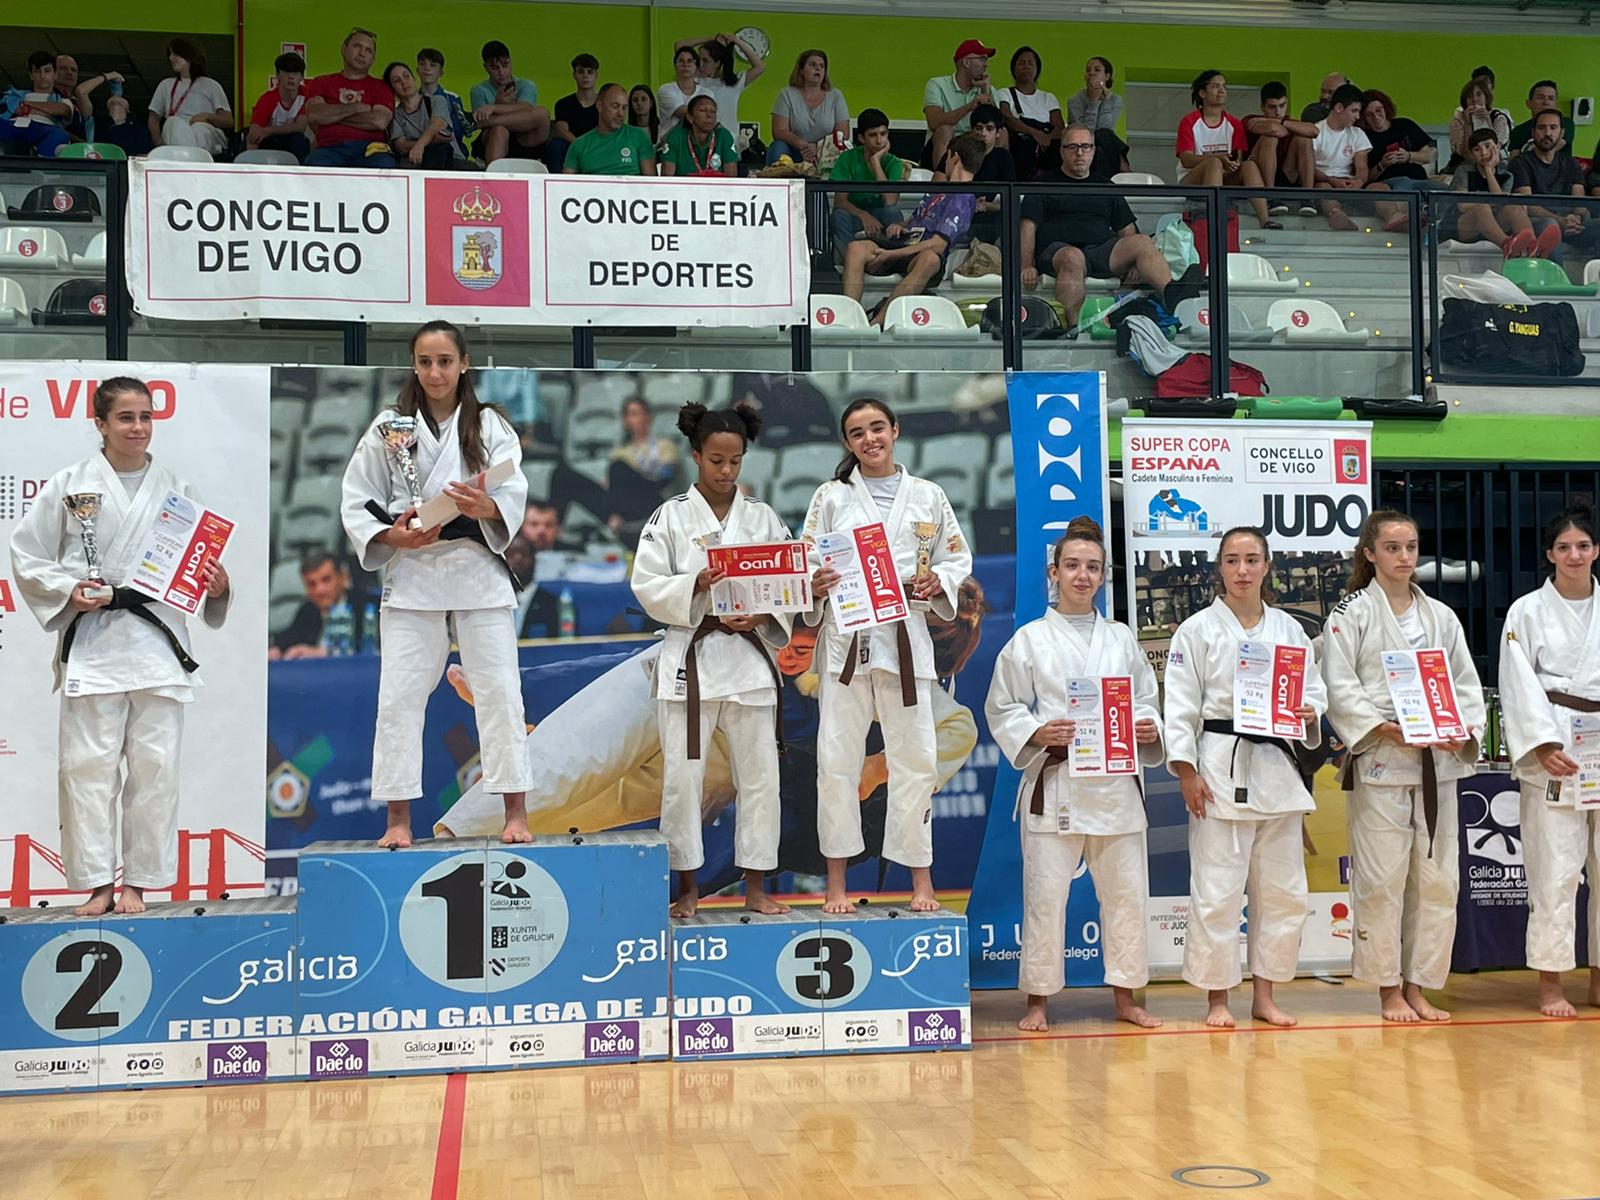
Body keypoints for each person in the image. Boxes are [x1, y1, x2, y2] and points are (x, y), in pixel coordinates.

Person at [9, 378, 231, 916]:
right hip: (96, 645)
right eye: (126, 418)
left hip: (156, 645)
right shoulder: (70, 485)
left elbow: (195, 566)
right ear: (101, 424)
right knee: (86, 771)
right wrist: (69, 591)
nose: (137, 427)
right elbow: (27, 554)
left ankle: (140, 882)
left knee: (156, 771)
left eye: (145, 417)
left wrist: (217, 586)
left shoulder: (178, 487)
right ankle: (96, 885)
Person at [340, 320, 532, 849]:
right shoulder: (389, 427)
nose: (435, 372)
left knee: (499, 693)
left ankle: (514, 810)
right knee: (399, 697)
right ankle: (398, 820)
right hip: (416, 572)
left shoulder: (488, 425)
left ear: (464, 364)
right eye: (425, 362)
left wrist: (487, 507)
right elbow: (356, 498)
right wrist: (391, 537)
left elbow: (513, 492)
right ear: (414, 366)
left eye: (445, 361)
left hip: (475, 568)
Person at [985, 517, 1164, 1032]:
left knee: (1126, 895)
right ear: (1054, 573)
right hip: (1058, 784)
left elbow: (1146, 703)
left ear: (1104, 576)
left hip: (1115, 785)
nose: (1082, 576)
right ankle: (1038, 1000)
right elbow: (1003, 707)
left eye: (1092, 567)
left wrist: (1148, 729)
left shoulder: (1121, 638)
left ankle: (1127, 998)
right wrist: (1040, 733)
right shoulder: (1030, 639)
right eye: (1072, 566)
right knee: (1045, 895)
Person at [803, 398, 973, 914]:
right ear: (848, 443)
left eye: (878, 428)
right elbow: (808, 560)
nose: (869, 439)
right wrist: (815, 581)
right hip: (847, 647)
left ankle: (920, 881)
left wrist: (936, 580)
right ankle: (836, 883)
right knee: (836, 763)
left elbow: (956, 556)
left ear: (895, 430)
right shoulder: (830, 497)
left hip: (905, 643)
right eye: (857, 433)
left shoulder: (929, 495)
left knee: (916, 763)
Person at [1321, 511, 1486, 1023]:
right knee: (1382, 879)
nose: (1404, 556)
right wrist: (1378, 726)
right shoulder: (1350, 613)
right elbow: (1338, 683)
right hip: (1383, 762)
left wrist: (1463, 729)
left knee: (1438, 881)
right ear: (1370, 553)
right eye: (1392, 547)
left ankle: (1419, 984)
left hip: (1436, 760)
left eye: (1411, 546)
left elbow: (1464, 683)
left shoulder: (1440, 615)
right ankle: (1388, 988)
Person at [631, 403, 793, 919]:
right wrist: (694, 584)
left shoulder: (763, 517)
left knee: (761, 778)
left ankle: (757, 886)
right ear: (696, 456)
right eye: (716, 460)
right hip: (692, 659)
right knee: (683, 779)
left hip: (748, 660)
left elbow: (789, 586)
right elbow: (647, 586)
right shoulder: (670, 517)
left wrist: (764, 616)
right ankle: (686, 887)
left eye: (735, 462)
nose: (725, 472)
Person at [1163, 527, 1327, 1028]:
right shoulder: (1196, 630)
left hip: (1276, 767)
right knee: (1217, 890)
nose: (1242, 570)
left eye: (1251, 560)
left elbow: (1315, 693)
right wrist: (1186, 772)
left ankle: (1266, 995)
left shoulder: (1289, 630)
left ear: (1266, 566)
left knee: (1282, 892)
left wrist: (1308, 712)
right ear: (1220, 568)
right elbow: (1180, 707)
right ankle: (1217, 998)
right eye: (1232, 560)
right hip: (1218, 765)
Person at [1498, 504, 1600, 1018]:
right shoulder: (1526, 612)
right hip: (1556, 745)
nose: (1574, 555)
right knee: (1556, 871)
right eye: (1564, 547)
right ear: (1549, 555)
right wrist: (1540, 743)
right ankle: (1551, 983)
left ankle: (1598, 979)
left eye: (1583, 545)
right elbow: (1516, 681)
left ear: (1596, 551)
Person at [1020, 126, 1186, 328]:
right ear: (1062, 151)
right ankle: (1072, 331)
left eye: (1085, 147)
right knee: (1073, 256)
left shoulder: (1105, 185)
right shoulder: (1043, 183)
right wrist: (1026, 265)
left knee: (1142, 242)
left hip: (1099, 251)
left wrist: (1133, 264)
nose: (1079, 152)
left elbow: (1126, 229)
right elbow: (1028, 228)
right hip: (1057, 253)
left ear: (1093, 151)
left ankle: (1174, 300)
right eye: (1072, 146)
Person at [840, 134, 982, 327]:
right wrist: (900, 226)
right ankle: (850, 318)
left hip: (919, 256)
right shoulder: (939, 189)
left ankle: (878, 322)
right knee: (856, 248)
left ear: (954, 157)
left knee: (930, 259)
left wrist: (890, 254)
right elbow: (916, 220)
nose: (945, 164)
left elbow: (938, 244)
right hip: (902, 244)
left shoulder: (963, 199)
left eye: (947, 158)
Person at [1177, 70, 1277, 229]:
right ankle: (1216, 219)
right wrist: (1218, 158)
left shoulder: (1234, 124)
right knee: (1214, 163)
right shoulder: (1189, 122)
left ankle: (1265, 219)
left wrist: (1233, 164)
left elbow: (1238, 157)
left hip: (1224, 177)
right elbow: (1186, 159)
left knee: (1249, 166)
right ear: (1202, 93)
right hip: (1191, 180)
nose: (1222, 90)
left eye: (1224, 86)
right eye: (1215, 86)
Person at [1447, 128, 1554, 259]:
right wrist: (1487, 203)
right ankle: (1506, 243)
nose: (1483, 152)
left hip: (1494, 225)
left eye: (1487, 146)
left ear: (1497, 147)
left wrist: (1488, 171)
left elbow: (1502, 203)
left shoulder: (1506, 175)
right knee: (1482, 208)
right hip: (1464, 227)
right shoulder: (1464, 171)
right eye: (1477, 149)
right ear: (1472, 154)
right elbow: (1462, 205)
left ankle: (1533, 246)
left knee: (1513, 207)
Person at [1511, 109, 1600, 255]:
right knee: (1550, 227)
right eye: (1542, 127)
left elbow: (1579, 200)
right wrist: (1558, 220)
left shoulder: (1571, 163)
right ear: (1533, 133)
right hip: (1539, 221)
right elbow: (1527, 204)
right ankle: (1553, 277)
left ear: (1561, 133)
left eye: (1553, 128)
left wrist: (1576, 217)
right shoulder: (1521, 163)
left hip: (1572, 223)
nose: (1548, 133)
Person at [303, 28, 395, 169]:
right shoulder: (322, 82)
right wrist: (357, 108)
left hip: (371, 150)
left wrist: (332, 115)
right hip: (329, 149)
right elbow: (314, 114)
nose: (362, 53)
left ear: (373, 60)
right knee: (314, 163)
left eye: (369, 50)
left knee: (384, 164)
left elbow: (379, 121)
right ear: (344, 49)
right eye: (357, 46)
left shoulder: (381, 86)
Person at [1359, 89, 1439, 231]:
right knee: (1403, 186)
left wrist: (1408, 156)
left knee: (1446, 192)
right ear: (1364, 118)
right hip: (1390, 183)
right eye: (1370, 115)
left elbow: (1430, 155)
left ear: (1386, 108)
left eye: (1379, 110)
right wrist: (1382, 165)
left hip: (1419, 179)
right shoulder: (1363, 137)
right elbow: (1364, 178)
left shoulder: (1404, 125)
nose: (1377, 117)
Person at [829, 108, 905, 257]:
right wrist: (863, 215)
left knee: (893, 212)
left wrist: (876, 162)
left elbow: (890, 201)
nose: (879, 140)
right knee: (838, 216)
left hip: (882, 217)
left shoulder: (894, 163)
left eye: (883, 134)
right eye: (873, 135)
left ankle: (892, 260)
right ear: (861, 138)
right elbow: (840, 202)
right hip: (855, 216)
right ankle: (847, 262)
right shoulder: (847, 158)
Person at [270, 550, 369, 658]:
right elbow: (288, 639)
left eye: (326, 580)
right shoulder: (309, 610)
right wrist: (277, 650)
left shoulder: (366, 608)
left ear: (343, 578)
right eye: (311, 584)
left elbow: (368, 649)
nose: (319, 590)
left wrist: (324, 653)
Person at [470, 40, 551, 165]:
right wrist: (500, 103)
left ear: (511, 62)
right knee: (499, 129)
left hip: (526, 136)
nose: (502, 72)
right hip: (494, 137)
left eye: (505, 65)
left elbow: (526, 107)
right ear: (485, 67)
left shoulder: (526, 85)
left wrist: (494, 108)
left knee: (542, 113)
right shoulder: (478, 90)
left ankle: (476, 123)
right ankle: (494, 178)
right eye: (495, 68)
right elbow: (484, 123)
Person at [147, 37, 231, 156]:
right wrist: (158, 143)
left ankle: (190, 161)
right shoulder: (165, 85)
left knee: (200, 128)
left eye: (175, 54)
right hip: (175, 134)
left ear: (189, 55)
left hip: (206, 133)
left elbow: (228, 121)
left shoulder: (211, 85)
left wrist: (207, 117)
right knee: (173, 122)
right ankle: (193, 162)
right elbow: (153, 118)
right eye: (170, 54)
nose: (171, 58)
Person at [1245, 82, 1318, 215]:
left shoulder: (1288, 122)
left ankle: (1308, 196)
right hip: (1259, 177)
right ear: (1262, 107)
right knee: (1270, 138)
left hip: (1287, 173)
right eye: (1272, 107)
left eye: (1282, 106)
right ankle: (1270, 196)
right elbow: (1273, 129)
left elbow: (1314, 131)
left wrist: (1284, 123)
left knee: (1304, 139)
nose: (1278, 112)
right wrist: (1289, 127)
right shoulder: (1251, 119)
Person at [768, 48, 848, 166]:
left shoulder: (835, 96)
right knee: (778, 146)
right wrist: (804, 146)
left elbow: (843, 133)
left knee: (847, 149)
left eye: (822, 66)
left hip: (827, 152)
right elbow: (779, 131)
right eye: (812, 65)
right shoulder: (786, 94)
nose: (818, 69)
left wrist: (818, 148)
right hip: (795, 150)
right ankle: (775, 181)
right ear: (801, 71)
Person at [924, 39, 997, 168]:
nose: (986, 65)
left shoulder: (988, 89)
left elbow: (996, 127)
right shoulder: (937, 84)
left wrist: (986, 90)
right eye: (981, 59)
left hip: (975, 146)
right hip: (945, 144)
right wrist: (970, 106)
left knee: (1001, 134)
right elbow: (934, 122)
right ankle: (942, 183)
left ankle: (992, 186)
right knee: (945, 130)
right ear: (966, 62)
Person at [678, 31, 766, 137]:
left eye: (706, 61)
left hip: (729, 138)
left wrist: (737, 41)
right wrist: (711, 38)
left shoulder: (734, 82)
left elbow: (760, 67)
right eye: (699, 59)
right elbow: (680, 46)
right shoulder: (696, 79)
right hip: (701, 138)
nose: (700, 64)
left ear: (718, 63)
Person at [1312, 83, 1371, 232]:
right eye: (1354, 111)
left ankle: (1395, 216)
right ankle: (1337, 215)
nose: (1357, 117)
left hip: (1349, 184)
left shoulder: (1358, 134)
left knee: (1380, 188)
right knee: (1323, 188)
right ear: (1339, 108)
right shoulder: (1316, 131)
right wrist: (1332, 181)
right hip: (1324, 182)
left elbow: (1362, 167)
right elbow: (1310, 168)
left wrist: (1359, 181)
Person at [1000, 46, 1064, 180]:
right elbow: (1007, 118)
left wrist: (1046, 139)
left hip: (1047, 146)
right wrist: (1034, 134)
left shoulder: (1048, 97)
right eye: (1022, 63)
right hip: (1020, 144)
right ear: (1014, 69)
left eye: (1030, 63)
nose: (1026, 66)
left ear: (1037, 69)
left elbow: (1059, 127)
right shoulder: (1005, 93)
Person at [565, 83, 656, 176]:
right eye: (615, 106)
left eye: (624, 108)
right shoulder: (579, 145)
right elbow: (565, 185)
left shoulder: (639, 137)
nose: (621, 113)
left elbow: (651, 184)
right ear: (599, 105)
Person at [385, 61, 459, 168]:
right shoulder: (395, 114)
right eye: (397, 81)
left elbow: (437, 124)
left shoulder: (437, 100)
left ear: (414, 79)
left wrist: (420, 145)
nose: (404, 82)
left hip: (450, 160)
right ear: (392, 89)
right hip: (415, 161)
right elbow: (401, 146)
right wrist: (432, 140)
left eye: (407, 76)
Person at [0, 50, 73, 158]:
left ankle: (40, 168)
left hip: (43, 129)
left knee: (60, 135)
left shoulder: (63, 100)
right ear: (31, 75)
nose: (42, 76)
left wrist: (25, 104)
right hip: (13, 126)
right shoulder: (14, 93)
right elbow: (12, 109)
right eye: (37, 71)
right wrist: (47, 111)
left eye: (47, 71)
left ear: (55, 74)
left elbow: (62, 110)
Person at [963, 104, 1016, 243]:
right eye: (978, 128)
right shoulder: (959, 153)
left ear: (998, 132)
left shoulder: (1003, 157)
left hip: (988, 218)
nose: (983, 133)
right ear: (972, 130)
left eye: (989, 128)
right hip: (959, 214)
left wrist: (986, 206)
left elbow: (1011, 198)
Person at [247, 52, 311, 160]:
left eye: (295, 73)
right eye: (286, 72)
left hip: (299, 145)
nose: (291, 77)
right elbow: (255, 130)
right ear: (277, 75)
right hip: (273, 143)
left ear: (302, 77)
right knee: (255, 139)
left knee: (297, 139)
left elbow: (300, 127)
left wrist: (268, 130)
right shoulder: (267, 99)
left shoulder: (308, 96)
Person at [658, 94, 735, 177]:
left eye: (713, 111)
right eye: (703, 110)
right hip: (683, 189)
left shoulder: (723, 136)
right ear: (690, 117)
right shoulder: (676, 137)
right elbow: (667, 179)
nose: (709, 115)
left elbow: (731, 180)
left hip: (717, 189)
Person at [549, 53, 600, 174]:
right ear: (574, 75)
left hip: (598, 148)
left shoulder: (604, 104)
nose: (585, 76)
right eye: (581, 72)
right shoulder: (563, 104)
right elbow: (561, 130)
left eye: (589, 72)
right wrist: (580, 145)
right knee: (556, 145)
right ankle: (556, 185)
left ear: (596, 75)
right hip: (572, 148)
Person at [611, 396, 679, 488]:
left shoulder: (665, 444)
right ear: (626, 420)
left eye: (643, 413)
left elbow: (666, 478)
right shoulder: (619, 452)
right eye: (634, 414)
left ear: (649, 417)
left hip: (654, 493)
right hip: (626, 497)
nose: (640, 418)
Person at [415, 48, 471, 149]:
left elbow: (458, 131)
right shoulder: (411, 99)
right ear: (417, 70)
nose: (427, 68)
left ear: (441, 73)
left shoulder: (452, 99)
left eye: (433, 65)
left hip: (451, 151)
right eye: (422, 64)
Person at [1448, 78, 1511, 166]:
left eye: (1479, 94)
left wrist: (1488, 121)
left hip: (1494, 164)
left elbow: (1495, 149)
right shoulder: (1457, 120)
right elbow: (1465, 154)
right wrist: (1468, 124)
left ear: (1486, 97)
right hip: (1465, 165)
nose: (1474, 99)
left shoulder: (1498, 118)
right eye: (1470, 96)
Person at [64, 57, 125, 146]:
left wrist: (115, 87)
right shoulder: (50, 98)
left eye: (73, 70)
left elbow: (81, 91)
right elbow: (81, 91)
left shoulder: (104, 121)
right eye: (63, 68)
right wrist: (109, 76)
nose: (69, 72)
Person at [1509, 81, 1575, 158]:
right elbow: (1513, 158)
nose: (1546, 102)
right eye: (1540, 97)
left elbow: (1557, 144)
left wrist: (1525, 153)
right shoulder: (1519, 130)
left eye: (1551, 98)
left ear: (1556, 104)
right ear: (1528, 103)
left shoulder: (1565, 123)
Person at [657, 45, 706, 140]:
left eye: (690, 61)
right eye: (681, 61)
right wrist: (702, 113)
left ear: (696, 66)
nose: (685, 64)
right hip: (669, 144)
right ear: (675, 66)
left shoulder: (706, 93)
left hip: (698, 146)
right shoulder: (665, 90)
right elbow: (688, 115)